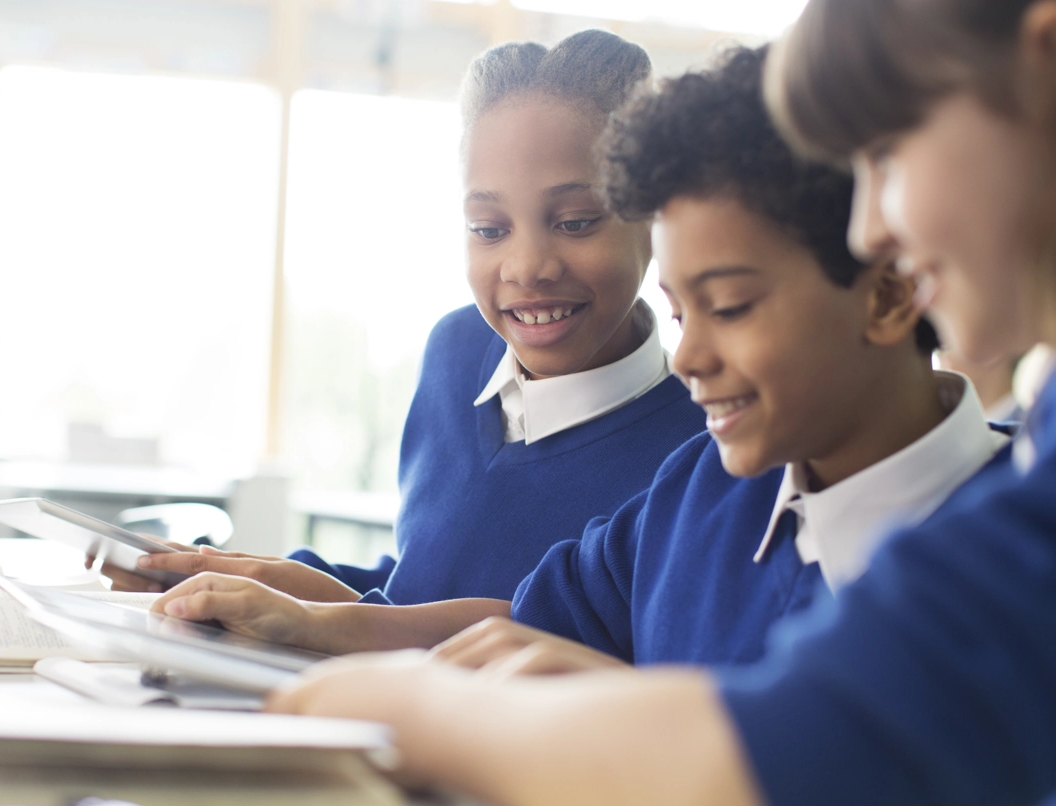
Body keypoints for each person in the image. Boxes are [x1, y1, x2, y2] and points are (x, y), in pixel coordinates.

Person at [251, 2, 1056, 806]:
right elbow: (536, 625)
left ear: (1051, 62)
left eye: (889, 152)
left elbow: (788, 761)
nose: (875, 223)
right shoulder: (707, 491)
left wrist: (421, 712)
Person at [151, 47, 1012, 673]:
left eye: (733, 307)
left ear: (893, 293)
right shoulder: (698, 489)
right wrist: (287, 613)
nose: (692, 358)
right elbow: (505, 622)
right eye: (681, 311)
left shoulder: (1026, 540)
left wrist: (630, 708)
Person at [106, 30, 706, 610]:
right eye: (488, 230)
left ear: (653, 215)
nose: (527, 266)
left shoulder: (698, 455)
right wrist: (234, 578)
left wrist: (323, 620)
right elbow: (419, 586)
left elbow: (556, 648)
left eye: (575, 220)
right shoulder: (458, 352)